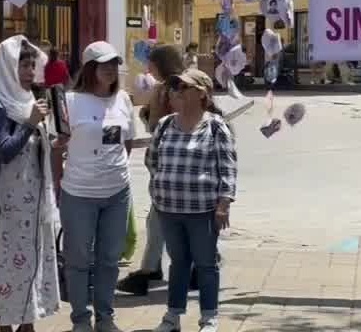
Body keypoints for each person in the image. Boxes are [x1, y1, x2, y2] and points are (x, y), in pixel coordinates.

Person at [0, 36, 62, 332]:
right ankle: (7, 326)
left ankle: (28, 324)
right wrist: (29, 123)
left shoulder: (30, 102)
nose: (30, 71)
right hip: (8, 206)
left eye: (31, 64)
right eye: (22, 65)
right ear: (6, 68)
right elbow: (4, 150)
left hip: (34, 202)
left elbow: (36, 152)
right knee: (7, 268)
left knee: (31, 266)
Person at [147, 69, 237, 332]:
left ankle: (209, 317)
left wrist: (223, 203)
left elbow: (228, 168)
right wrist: (163, 184)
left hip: (203, 210)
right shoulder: (165, 124)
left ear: (201, 94)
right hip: (169, 208)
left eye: (184, 87)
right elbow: (152, 159)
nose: (177, 91)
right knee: (178, 263)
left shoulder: (215, 126)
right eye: (176, 87)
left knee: (206, 263)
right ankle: (173, 316)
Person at [54, 41, 135, 332]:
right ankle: (80, 320)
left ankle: (105, 318)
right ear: (90, 68)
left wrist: (114, 171)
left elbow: (127, 143)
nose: (111, 69)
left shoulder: (123, 99)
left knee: (110, 259)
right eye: (104, 64)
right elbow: (56, 147)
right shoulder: (71, 101)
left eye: (114, 63)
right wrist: (58, 184)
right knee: (77, 259)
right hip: (78, 193)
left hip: (117, 193)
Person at [118, 44, 184, 296]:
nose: (148, 69)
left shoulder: (166, 88)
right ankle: (157, 265)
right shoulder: (190, 82)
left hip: (169, 161)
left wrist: (148, 114)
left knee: (159, 218)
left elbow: (157, 125)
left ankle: (148, 271)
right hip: (182, 161)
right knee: (174, 217)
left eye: (151, 65)